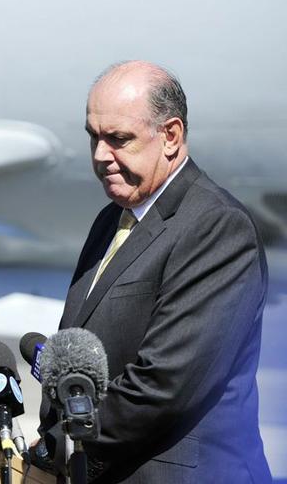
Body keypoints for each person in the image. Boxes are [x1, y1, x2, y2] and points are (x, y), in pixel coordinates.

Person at [39, 61, 271, 482]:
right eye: (94, 137)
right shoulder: (112, 220)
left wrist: (64, 444)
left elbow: (163, 385)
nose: (100, 156)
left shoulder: (216, 226)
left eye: (118, 139)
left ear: (171, 136)